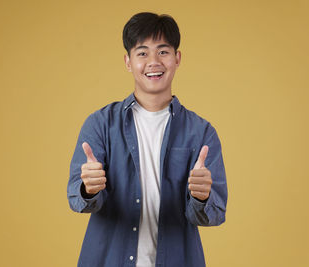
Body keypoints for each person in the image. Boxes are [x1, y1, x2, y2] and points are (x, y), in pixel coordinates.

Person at [67, 12, 228, 267]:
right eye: (142, 53)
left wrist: (202, 197)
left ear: (177, 58)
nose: (153, 61)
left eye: (163, 52)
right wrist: (88, 188)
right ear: (128, 62)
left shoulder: (202, 133)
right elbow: (78, 200)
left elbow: (215, 214)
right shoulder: (100, 124)